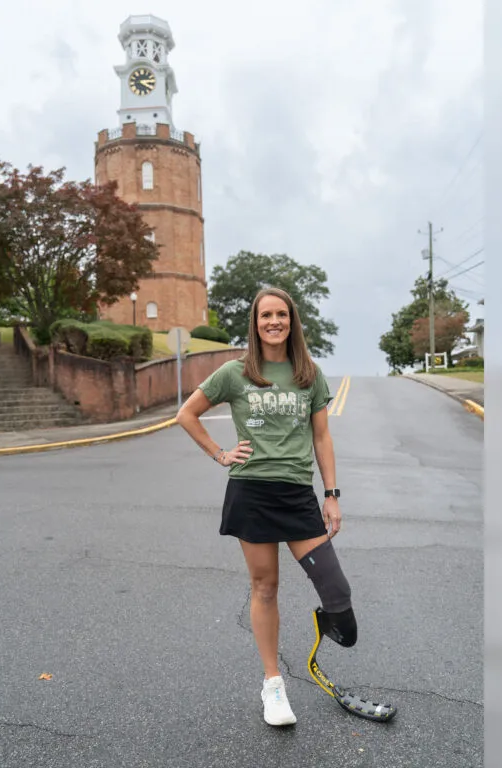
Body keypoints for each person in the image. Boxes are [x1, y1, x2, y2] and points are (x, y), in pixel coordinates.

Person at [177, 286, 356, 727]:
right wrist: (221, 454)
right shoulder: (234, 372)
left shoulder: (309, 374)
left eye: (281, 315)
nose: (274, 322)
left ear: (292, 321)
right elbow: (187, 413)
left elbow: (321, 438)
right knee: (266, 587)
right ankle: (273, 683)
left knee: (335, 591)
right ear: (255, 324)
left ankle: (322, 632)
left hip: (296, 494)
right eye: (265, 316)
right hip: (252, 492)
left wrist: (331, 495)